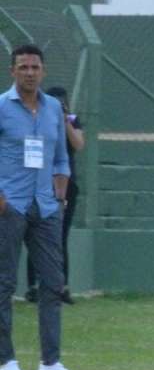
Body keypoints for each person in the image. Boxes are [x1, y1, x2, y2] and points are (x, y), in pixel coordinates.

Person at [0, 44, 86, 370]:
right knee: (5, 282)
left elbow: (61, 155)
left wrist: (61, 191)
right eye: (23, 67)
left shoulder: (53, 109)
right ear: (12, 71)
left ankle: (51, 364)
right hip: (11, 205)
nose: (30, 72)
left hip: (47, 206)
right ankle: (5, 360)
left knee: (52, 283)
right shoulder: (2, 107)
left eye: (35, 67)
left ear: (44, 71)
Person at [25, 86, 84, 305]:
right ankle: (33, 286)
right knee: (35, 234)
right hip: (40, 182)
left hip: (66, 183)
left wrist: (66, 121)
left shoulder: (73, 119)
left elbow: (78, 144)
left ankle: (62, 286)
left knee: (60, 236)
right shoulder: (37, 117)